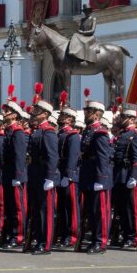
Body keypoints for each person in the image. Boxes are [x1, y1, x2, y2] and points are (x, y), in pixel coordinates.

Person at [25, 99, 59, 255]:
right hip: (35, 174)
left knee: (45, 211)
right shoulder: (37, 130)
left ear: (45, 114)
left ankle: (45, 244)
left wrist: (50, 177)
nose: (34, 113)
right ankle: (38, 239)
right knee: (37, 210)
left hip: (44, 175)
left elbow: (52, 156)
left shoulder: (48, 131)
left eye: (37, 111)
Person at [79, 100, 113, 254]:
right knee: (91, 212)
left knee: (100, 212)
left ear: (96, 114)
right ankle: (94, 239)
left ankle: (101, 242)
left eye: (88, 111)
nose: (85, 114)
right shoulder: (88, 131)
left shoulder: (100, 133)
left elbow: (103, 158)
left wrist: (100, 179)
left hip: (98, 177)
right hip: (89, 175)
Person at [111, 105, 137, 248]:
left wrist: (134, 177)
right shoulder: (121, 135)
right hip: (121, 176)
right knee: (123, 209)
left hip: (131, 176)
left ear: (132, 119)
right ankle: (127, 235)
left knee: (134, 210)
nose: (120, 119)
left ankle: (135, 237)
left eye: (123, 117)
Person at [0, 100, 26, 249]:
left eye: (7, 111)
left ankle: (18, 235)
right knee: (8, 207)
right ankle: (9, 234)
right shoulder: (9, 131)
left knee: (17, 208)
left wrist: (18, 176)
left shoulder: (18, 132)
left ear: (14, 115)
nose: (4, 113)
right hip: (7, 173)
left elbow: (19, 156)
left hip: (15, 175)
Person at [56, 105, 82, 248]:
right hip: (60, 175)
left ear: (70, 119)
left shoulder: (72, 136)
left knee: (71, 207)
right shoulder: (60, 134)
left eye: (63, 115)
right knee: (62, 208)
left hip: (68, 176)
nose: (60, 117)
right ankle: (64, 234)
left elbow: (72, 157)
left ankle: (72, 236)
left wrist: (69, 175)